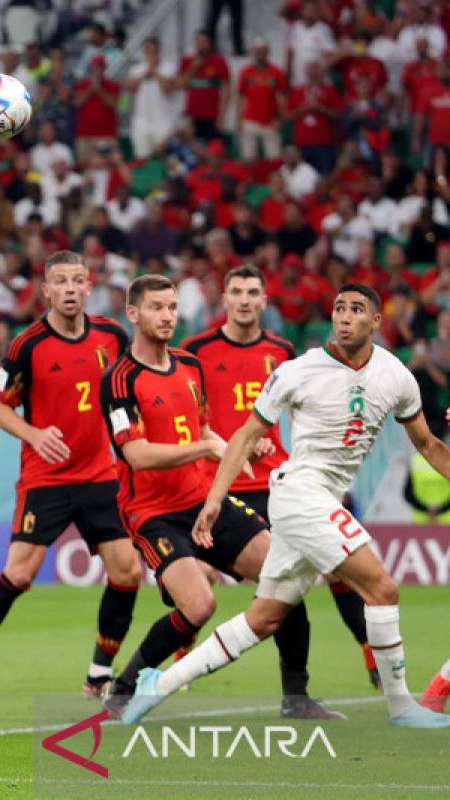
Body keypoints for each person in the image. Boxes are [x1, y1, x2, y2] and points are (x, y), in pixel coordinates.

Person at [123, 284, 450, 730]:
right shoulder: (297, 371)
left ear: (376, 321)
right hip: (299, 494)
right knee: (382, 587)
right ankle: (401, 707)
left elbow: (429, 445)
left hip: (322, 499)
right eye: (339, 308)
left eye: (357, 309)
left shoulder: (396, 376)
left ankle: (156, 686)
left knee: (265, 617)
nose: (345, 316)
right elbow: (244, 435)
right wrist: (215, 498)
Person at [98, 275, 338, 721]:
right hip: (152, 514)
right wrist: (210, 449)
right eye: (156, 307)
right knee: (199, 606)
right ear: (133, 314)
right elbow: (136, 454)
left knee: (283, 576)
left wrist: (234, 446)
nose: (167, 315)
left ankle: (297, 696)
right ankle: (124, 687)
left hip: (204, 499)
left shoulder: (189, 364)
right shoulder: (118, 379)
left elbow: (204, 427)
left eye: (172, 307)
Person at [0, 251, 144, 704]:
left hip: (100, 477)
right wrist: (33, 433)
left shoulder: (112, 335)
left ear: (89, 287)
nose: (70, 289)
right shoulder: (27, 344)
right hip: (46, 479)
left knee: (127, 571)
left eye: (78, 281)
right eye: (61, 282)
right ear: (46, 290)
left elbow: (132, 389)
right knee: (19, 573)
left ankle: (99, 676)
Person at [182, 265, 377, 689]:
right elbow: (187, 414)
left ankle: (368, 649)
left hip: (277, 483)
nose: (246, 299)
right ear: (226, 299)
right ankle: (181, 661)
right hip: (221, 484)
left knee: (337, 565)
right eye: (237, 292)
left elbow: (307, 414)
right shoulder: (196, 349)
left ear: (265, 301)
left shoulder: (283, 350)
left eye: (254, 292)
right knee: (198, 577)